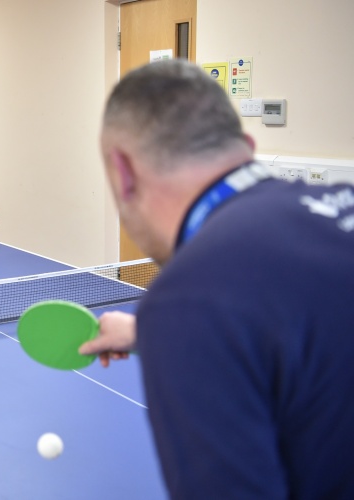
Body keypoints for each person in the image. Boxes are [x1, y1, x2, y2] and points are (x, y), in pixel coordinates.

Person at [79, 59, 354, 498]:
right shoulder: (341, 203)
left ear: (123, 173)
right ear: (246, 145)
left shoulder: (190, 298)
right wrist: (155, 333)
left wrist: (178, 324)